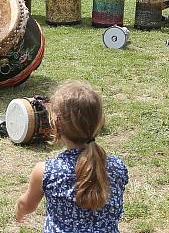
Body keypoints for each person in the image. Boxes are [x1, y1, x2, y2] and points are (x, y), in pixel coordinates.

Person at [15, 81, 128, 231]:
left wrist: (19, 210)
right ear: (98, 122)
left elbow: (27, 205)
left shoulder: (46, 171)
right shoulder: (117, 166)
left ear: (55, 123)